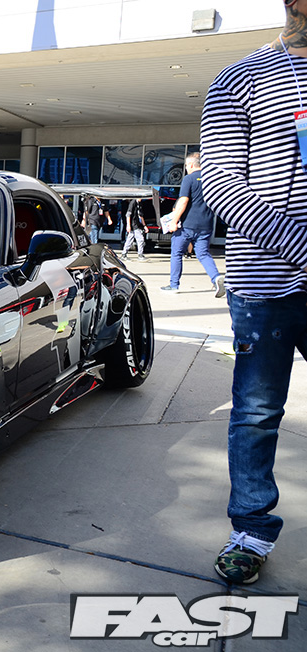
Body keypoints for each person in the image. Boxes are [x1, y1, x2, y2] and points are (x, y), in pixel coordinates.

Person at [199, 0, 307, 585]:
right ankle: (251, 530)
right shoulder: (242, 76)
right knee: (258, 412)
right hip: (264, 283)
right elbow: (220, 184)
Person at [159, 152, 225, 296]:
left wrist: (174, 221)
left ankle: (174, 285)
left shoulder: (189, 179)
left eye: (186, 166)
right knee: (203, 254)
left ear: (190, 165)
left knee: (176, 253)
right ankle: (216, 278)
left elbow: (183, 201)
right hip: (206, 224)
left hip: (187, 225)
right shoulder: (211, 180)